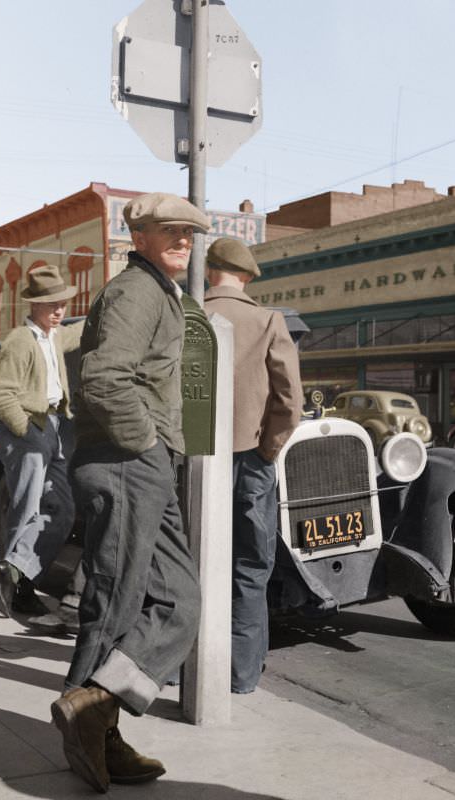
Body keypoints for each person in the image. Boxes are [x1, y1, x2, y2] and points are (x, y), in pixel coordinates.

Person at [50, 193, 206, 793]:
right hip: (126, 461)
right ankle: (95, 728)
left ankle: (93, 708)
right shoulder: (136, 290)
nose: (182, 241)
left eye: (189, 234)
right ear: (137, 235)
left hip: (144, 463)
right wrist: (144, 445)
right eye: (168, 231)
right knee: (114, 605)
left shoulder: (157, 290)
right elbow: (105, 377)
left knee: (179, 602)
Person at [203, 237, 304, 694]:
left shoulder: (185, 316)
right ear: (245, 277)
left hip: (193, 460)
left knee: (189, 561)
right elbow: (290, 401)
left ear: (209, 272)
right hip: (249, 459)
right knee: (249, 566)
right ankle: (242, 676)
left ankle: (184, 667)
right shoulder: (267, 321)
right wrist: (268, 449)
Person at [0, 264, 82, 632]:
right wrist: (28, 431)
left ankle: (13, 570)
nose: (58, 310)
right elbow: (1, 395)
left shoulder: (53, 336)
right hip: (29, 432)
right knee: (26, 510)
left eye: (62, 303)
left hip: (55, 427)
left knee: (62, 507)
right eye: (51, 305)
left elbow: (79, 333)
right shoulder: (19, 341)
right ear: (33, 305)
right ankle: (19, 591)